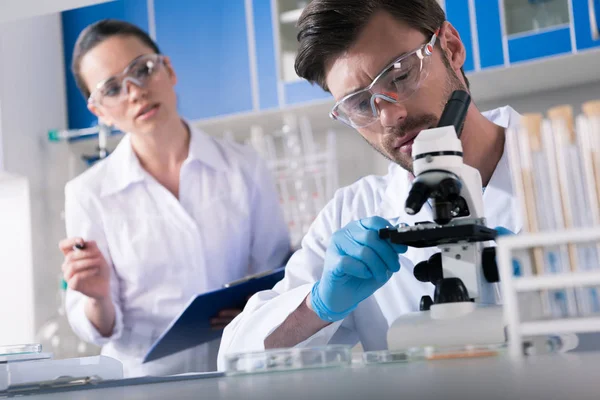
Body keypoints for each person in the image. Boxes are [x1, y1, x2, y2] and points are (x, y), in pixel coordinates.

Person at [217, 0, 524, 366]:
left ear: (451, 47)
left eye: (400, 75)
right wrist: (319, 305)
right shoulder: (353, 213)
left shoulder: (579, 164)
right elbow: (237, 359)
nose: (391, 114)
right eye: (360, 104)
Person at [58, 19, 291, 377]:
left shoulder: (243, 166)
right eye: (113, 88)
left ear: (168, 69)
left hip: (237, 369)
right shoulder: (88, 193)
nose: (135, 92)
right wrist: (97, 295)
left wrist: (254, 305)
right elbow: (98, 326)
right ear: (99, 112)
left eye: (143, 69)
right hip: (144, 383)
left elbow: (278, 271)